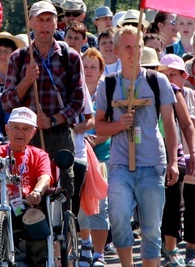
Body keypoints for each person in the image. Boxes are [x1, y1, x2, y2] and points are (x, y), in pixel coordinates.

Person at [95, 26, 183, 267]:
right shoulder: (108, 84)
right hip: (120, 164)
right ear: (115, 51)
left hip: (152, 163)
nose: (133, 52)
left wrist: (174, 161)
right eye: (127, 47)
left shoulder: (158, 81)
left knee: (151, 228)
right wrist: (118, 124)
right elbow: (99, 126)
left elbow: (169, 122)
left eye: (137, 47)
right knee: (119, 217)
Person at [3, 0, 85, 211]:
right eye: (40, 20)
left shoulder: (71, 57)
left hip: (59, 135)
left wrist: (53, 120)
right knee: (26, 192)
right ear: (30, 23)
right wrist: (26, 81)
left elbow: (78, 101)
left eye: (49, 19)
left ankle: (63, 237)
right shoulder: (19, 58)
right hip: (26, 136)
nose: (44, 24)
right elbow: (7, 102)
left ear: (56, 23)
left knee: (64, 191)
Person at [0, 107, 52, 266]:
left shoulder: (39, 154)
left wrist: (37, 191)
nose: (20, 132)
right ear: (7, 129)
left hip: (27, 204)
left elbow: (45, 177)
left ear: (33, 132)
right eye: (15, 127)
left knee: (36, 218)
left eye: (26, 129)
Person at [160, 54, 195, 266]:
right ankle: (171, 250)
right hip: (170, 162)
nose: (168, 78)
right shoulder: (157, 98)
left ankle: (192, 249)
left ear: (184, 76)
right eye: (164, 74)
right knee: (171, 206)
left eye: (173, 74)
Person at [80, 48, 113, 266]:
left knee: (100, 206)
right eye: (86, 66)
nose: (89, 70)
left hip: (101, 157)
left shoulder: (106, 93)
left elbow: (111, 125)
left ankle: (98, 253)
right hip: (79, 155)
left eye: (94, 66)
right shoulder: (74, 92)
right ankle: (85, 245)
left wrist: (94, 140)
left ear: (101, 71)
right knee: (82, 207)